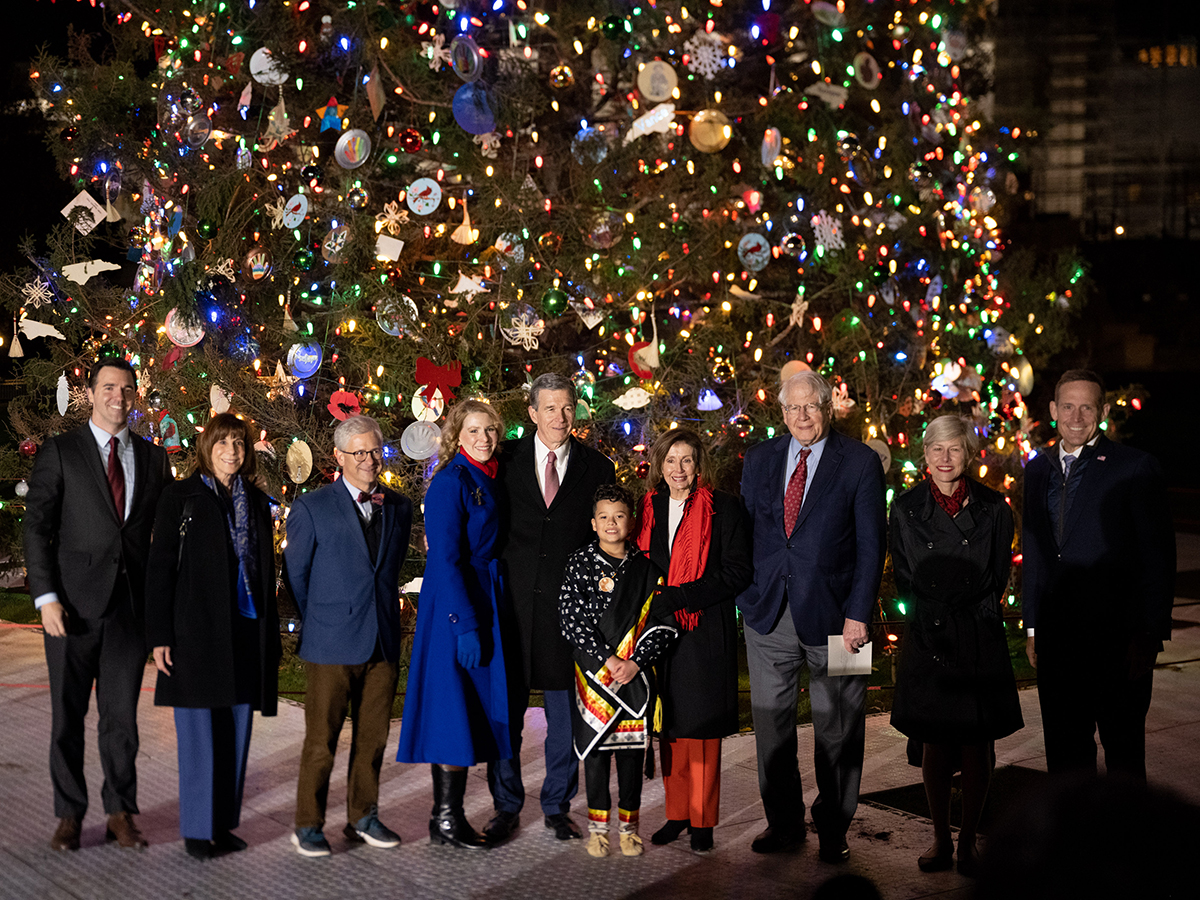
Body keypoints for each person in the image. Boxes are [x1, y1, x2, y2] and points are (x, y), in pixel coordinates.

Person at [736, 370, 886, 861]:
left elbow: (871, 547)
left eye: (811, 406)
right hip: (768, 617)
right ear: (781, 413)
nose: (802, 416)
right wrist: (746, 595)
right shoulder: (758, 460)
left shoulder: (860, 462)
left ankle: (834, 829)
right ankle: (784, 824)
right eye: (793, 408)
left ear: (828, 408)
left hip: (841, 623)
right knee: (771, 728)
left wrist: (859, 615)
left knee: (840, 728)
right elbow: (747, 534)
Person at [23, 357, 171, 852]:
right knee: (67, 718)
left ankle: (119, 812)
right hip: (71, 609)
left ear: (135, 396)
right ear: (92, 392)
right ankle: (69, 815)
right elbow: (37, 528)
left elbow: (161, 541)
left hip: (128, 612)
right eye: (110, 387)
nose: (119, 397)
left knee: (121, 721)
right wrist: (46, 598)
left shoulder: (153, 460)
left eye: (127, 389)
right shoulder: (61, 451)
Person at [1022, 369, 1174, 781]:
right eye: (1067, 406)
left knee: (1124, 757)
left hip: (1117, 644)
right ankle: (1073, 844)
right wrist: (1033, 626)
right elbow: (1034, 552)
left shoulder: (1135, 467)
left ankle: (1125, 845)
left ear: (1103, 411)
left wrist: (1149, 635)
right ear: (1053, 410)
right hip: (1057, 643)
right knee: (1066, 758)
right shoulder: (1037, 469)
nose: (1076, 416)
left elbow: (1158, 558)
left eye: (1086, 406)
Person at [889, 415, 1023, 876]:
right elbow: (904, 574)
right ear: (923, 455)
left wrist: (970, 614)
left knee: (976, 744)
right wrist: (931, 618)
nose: (945, 459)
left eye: (954, 450)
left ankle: (969, 842)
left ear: (968, 454)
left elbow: (997, 572)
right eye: (936, 450)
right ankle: (940, 840)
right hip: (929, 634)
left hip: (976, 632)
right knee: (935, 743)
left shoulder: (993, 507)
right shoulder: (905, 508)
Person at [486, 373, 616, 843]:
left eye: (568, 408)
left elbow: (606, 542)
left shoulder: (597, 468)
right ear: (532, 412)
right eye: (550, 408)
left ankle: (557, 804)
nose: (560, 417)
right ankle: (505, 806)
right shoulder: (503, 460)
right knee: (505, 716)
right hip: (511, 610)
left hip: (570, 616)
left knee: (565, 721)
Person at [144, 413, 281, 860]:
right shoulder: (179, 496)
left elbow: (264, 572)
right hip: (196, 634)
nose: (231, 451)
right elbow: (159, 569)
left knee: (236, 731)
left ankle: (222, 824)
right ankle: (198, 831)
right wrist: (160, 635)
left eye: (239, 444)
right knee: (201, 734)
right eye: (222, 443)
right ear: (206, 448)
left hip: (244, 630)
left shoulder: (257, 501)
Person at [284, 415, 413, 858]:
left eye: (375, 451)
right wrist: (323, 618)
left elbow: (388, 570)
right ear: (338, 457)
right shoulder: (311, 507)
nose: (369, 460)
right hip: (330, 641)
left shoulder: (398, 507)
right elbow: (297, 576)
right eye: (358, 452)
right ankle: (308, 824)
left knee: (373, 738)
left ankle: (363, 816)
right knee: (321, 741)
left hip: (382, 639)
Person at [397, 399, 511, 850]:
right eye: (474, 431)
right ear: (456, 437)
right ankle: (446, 818)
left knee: (467, 711)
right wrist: (463, 623)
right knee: (453, 713)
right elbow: (443, 560)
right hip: (454, 608)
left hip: (484, 599)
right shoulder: (449, 483)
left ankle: (445, 817)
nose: (484, 439)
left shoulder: (488, 476)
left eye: (490, 431)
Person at [634, 427, 752, 854]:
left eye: (686, 460)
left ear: (698, 464)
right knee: (669, 728)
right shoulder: (646, 508)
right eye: (670, 460)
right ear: (659, 466)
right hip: (657, 630)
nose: (678, 469)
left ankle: (703, 821)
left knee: (700, 730)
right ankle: (677, 814)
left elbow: (738, 572)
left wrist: (679, 597)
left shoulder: (725, 509)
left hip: (703, 628)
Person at [559, 484, 677, 858]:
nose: (612, 524)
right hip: (594, 677)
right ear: (593, 524)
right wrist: (608, 660)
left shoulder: (648, 570)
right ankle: (598, 829)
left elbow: (665, 624)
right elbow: (571, 619)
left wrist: (636, 662)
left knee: (629, 758)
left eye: (620, 516)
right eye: (604, 517)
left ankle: (629, 828)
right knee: (595, 757)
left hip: (634, 679)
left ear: (631, 522)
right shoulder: (578, 564)